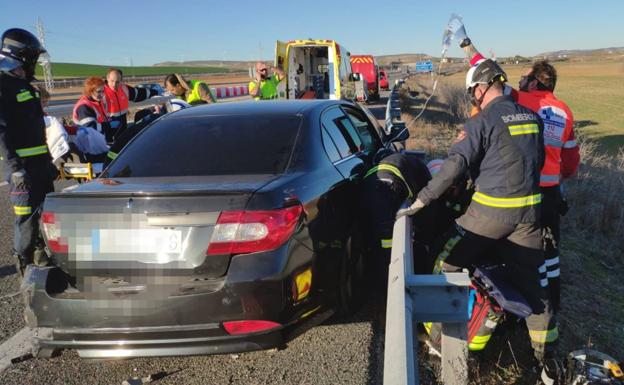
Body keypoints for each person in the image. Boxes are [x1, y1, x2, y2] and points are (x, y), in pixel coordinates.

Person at [396, 58, 559, 368]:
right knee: (535, 290)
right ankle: (546, 361)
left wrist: (424, 199)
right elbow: (535, 164)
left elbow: (454, 167)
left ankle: (437, 340)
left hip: (487, 217)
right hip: (528, 218)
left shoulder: (480, 122)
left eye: (473, 92)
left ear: (482, 88)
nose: (474, 98)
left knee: (446, 261)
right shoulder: (531, 117)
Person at [462, 40, 580, 314]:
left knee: (520, 251)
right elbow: (571, 163)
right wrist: (558, 177)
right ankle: (551, 307)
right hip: (551, 194)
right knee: (550, 255)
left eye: (525, 77)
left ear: (536, 83)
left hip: (522, 191)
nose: (520, 79)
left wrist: (467, 46)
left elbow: (489, 74)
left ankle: (509, 305)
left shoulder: (522, 100)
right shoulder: (565, 111)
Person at [0, 28, 57, 274]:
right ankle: (24, 265)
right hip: (21, 170)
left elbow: (35, 130)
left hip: (40, 166)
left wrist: (49, 161)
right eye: (32, 57)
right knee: (26, 219)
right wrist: (14, 169)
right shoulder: (3, 85)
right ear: (22, 55)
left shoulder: (24, 85)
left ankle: (43, 256)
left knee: (47, 213)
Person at [359, 152, 431, 288]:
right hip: (388, 187)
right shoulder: (424, 174)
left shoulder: (408, 162)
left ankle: (378, 275)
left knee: (374, 230)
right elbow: (426, 206)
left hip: (369, 184)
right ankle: (388, 281)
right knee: (387, 238)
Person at [103, 68, 160, 137]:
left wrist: (155, 92)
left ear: (121, 80)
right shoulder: (101, 92)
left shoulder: (124, 89)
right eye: (112, 81)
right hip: (108, 126)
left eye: (117, 82)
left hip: (122, 125)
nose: (114, 84)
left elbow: (139, 94)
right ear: (107, 78)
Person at [72, 76, 114, 142]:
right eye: (98, 92)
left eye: (103, 91)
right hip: (90, 144)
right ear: (90, 91)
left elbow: (102, 118)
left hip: (99, 139)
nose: (102, 94)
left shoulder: (97, 101)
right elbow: (90, 128)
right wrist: (107, 125)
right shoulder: (83, 107)